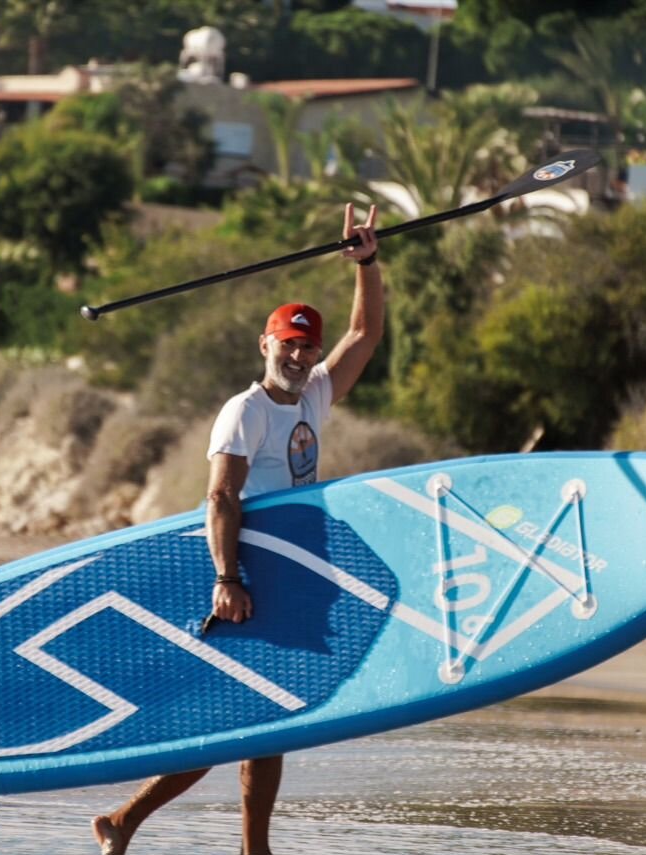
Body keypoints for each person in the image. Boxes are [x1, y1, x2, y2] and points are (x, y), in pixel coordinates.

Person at [92, 202, 383, 855]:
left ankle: (139, 824)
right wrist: (227, 577)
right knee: (235, 717)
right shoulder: (244, 411)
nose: (302, 352)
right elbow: (221, 494)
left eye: (309, 343)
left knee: (264, 717)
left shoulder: (313, 394)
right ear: (265, 342)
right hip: (245, 570)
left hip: (289, 573)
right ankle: (157, 827)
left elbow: (364, 334)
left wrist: (368, 263)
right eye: (290, 341)